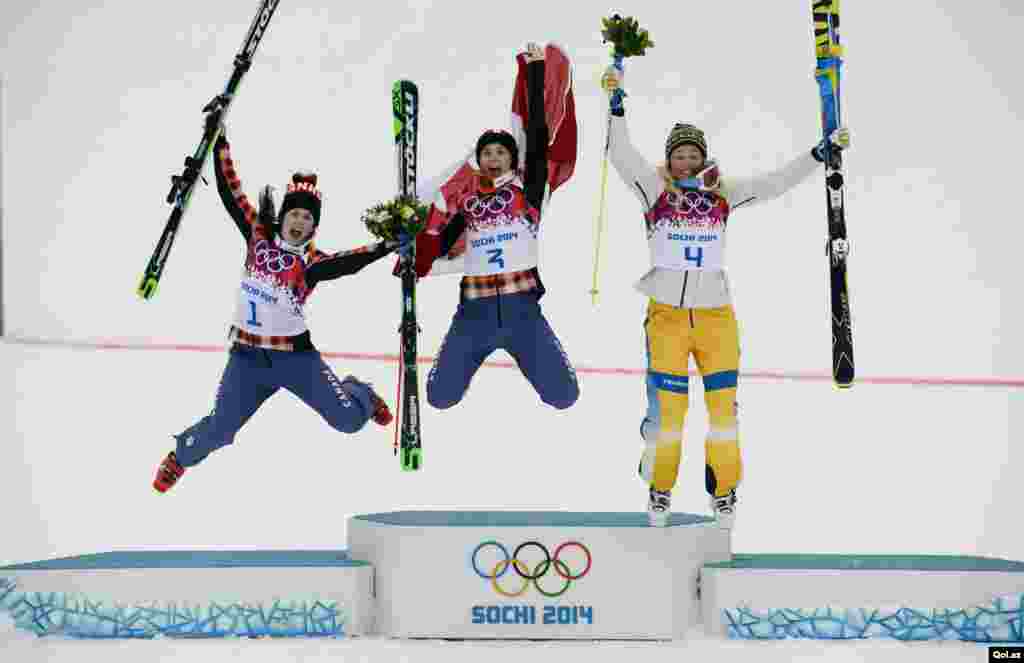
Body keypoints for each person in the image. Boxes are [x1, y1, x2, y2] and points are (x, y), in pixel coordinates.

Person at [602, 67, 851, 527]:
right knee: (670, 414)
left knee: (723, 414)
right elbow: (620, 153)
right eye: (679, 155)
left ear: (703, 158)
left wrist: (820, 154)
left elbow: (775, 183)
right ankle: (660, 488)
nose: (686, 162)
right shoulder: (655, 192)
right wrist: (616, 103)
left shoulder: (722, 195)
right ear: (669, 160)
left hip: (716, 318)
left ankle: (724, 492)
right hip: (668, 319)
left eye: (693, 154)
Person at [152, 122, 408, 493]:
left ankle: (360, 393)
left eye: (308, 218)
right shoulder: (257, 235)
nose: (299, 221)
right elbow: (231, 192)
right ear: (283, 216)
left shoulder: (312, 262)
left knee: (349, 422)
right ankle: (180, 457)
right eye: (295, 214)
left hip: (295, 360)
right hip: (247, 360)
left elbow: (351, 260)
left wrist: (388, 244)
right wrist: (219, 139)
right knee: (222, 427)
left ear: (313, 227)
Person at [410, 43, 579, 412]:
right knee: (440, 398)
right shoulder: (467, 204)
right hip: (475, 313)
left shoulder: (527, 190)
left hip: (523, 312)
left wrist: (535, 72)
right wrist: (418, 255)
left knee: (565, 396)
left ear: (512, 159)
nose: (493, 157)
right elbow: (438, 247)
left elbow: (537, 134)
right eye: (487, 152)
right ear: (479, 160)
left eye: (501, 152)